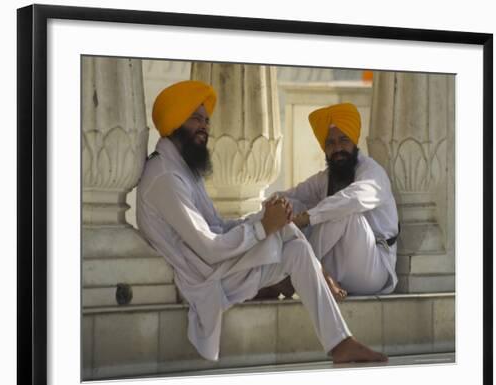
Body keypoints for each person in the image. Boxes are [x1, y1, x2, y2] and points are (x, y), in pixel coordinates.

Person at [136, 80, 387, 364]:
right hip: (203, 278)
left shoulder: (182, 169)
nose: (205, 126)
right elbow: (209, 248)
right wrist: (263, 226)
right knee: (288, 237)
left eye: (206, 120)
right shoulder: (166, 178)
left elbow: (217, 225)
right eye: (196, 118)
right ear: (174, 121)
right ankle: (319, 307)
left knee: (292, 243)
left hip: (215, 267)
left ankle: (340, 342)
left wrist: (266, 218)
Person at [272, 103, 399, 299]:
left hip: (372, 269)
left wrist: (306, 218)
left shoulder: (373, 173)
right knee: (288, 206)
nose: (337, 148)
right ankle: (298, 272)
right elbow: (289, 195)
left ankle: (295, 274)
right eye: (330, 143)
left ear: (354, 142)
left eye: (343, 140)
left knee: (343, 211)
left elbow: (352, 199)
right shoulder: (324, 178)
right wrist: (272, 208)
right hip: (335, 266)